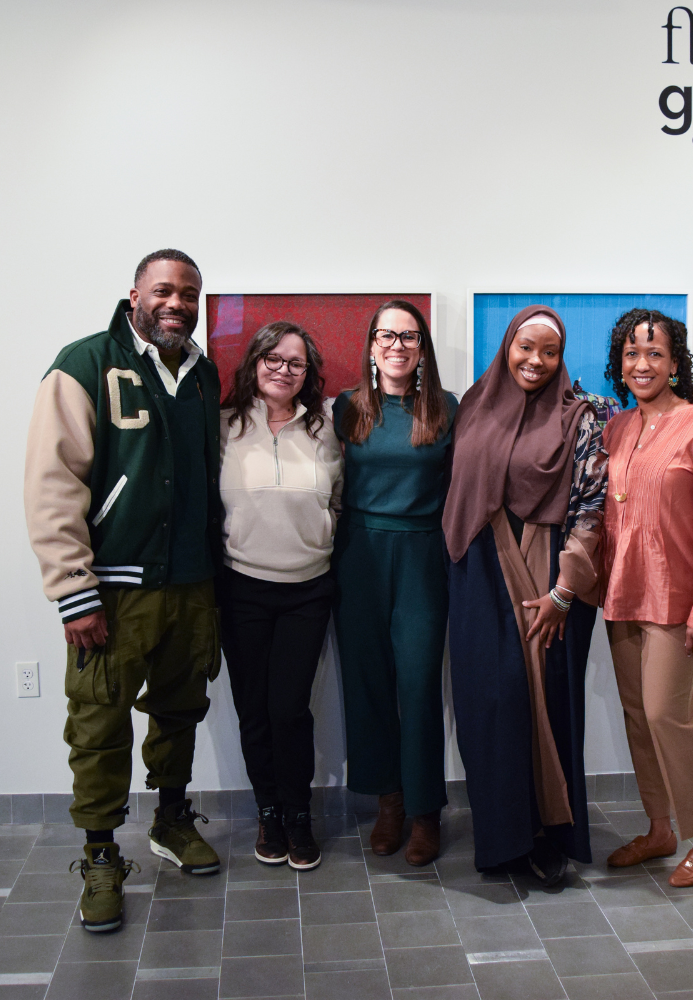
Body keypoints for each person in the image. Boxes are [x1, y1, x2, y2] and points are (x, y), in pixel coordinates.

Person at [24, 249, 223, 934]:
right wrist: (73, 590)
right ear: (134, 292)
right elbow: (53, 483)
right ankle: (101, 855)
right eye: (164, 290)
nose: (177, 303)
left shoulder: (203, 374)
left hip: (192, 586)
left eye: (189, 293)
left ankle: (171, 820)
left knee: (179, 709)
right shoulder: (83, 364)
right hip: (112, 592)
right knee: (99, 724)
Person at [442, 305, 609, 884]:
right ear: (507, 347)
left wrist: (565, 591)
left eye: (549, 352)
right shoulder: (472, 407)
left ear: (561, 360)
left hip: (549, 576)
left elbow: (592, 507)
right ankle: (502, 835)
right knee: (488, 703)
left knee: (546, 700)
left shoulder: (580, 417)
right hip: (477, 571)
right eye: (525, 347)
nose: (535, 361)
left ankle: (550, 834)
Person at [598, 309, 693, 887]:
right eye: (632, 353)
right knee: (638, 718)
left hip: (677, 602)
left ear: (675, 363)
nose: (642, 364)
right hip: (621, 596)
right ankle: (661, 828)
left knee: (666, 716)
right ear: (620, 363)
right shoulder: (617, 429)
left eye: (655, 354)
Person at [332, 299, 456, 866]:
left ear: (422, 348)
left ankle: (427, 812)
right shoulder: (346, 409)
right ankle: (389, 802)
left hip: (422, 557)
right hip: (358, 556)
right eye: (388, 335)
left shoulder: (447, 410)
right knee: (368, 684)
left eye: (409, 337)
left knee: (419, 686)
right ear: (372, 345)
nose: (398, 345)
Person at [217, 321, 342, 871]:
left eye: (295, 363)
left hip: (307, 589)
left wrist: (324, 530)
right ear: (254, 362)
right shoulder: (224, 425)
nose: (283, 370)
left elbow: (340, 497)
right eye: (273, 358)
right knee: (253, 710)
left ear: (307, 374)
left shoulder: (327, 426)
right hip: (240, 586)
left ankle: (298, 813)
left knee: (289, 709)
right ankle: (268, 810)